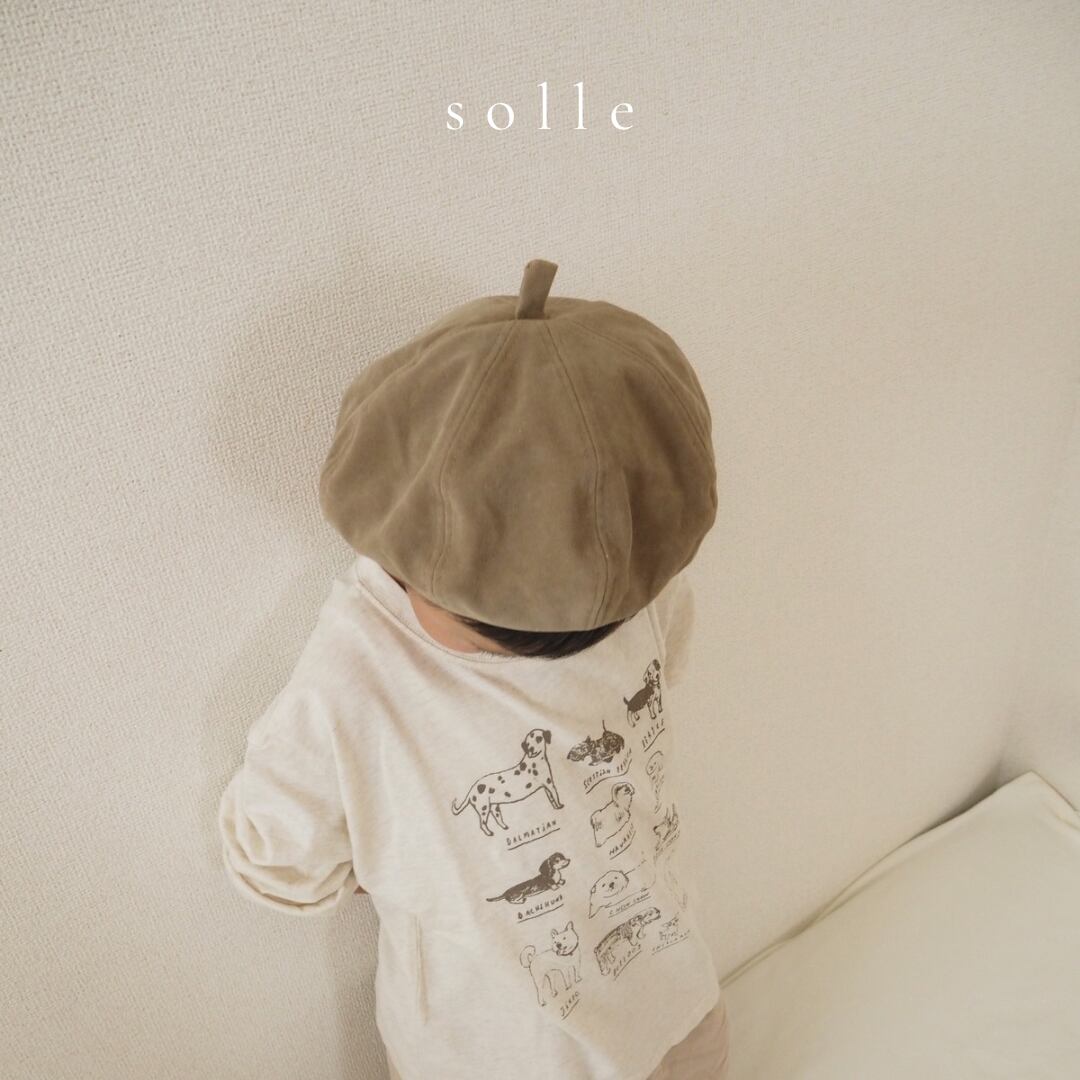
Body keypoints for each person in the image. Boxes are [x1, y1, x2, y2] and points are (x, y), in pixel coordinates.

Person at [217, 259, 729, 1079]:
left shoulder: (647, 592)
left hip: (669, 1005)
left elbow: (658, 690)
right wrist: (389, 844)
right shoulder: (359, 672)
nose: (550, 654)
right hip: (508, 1052)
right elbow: (275, 856)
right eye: (498, 630)